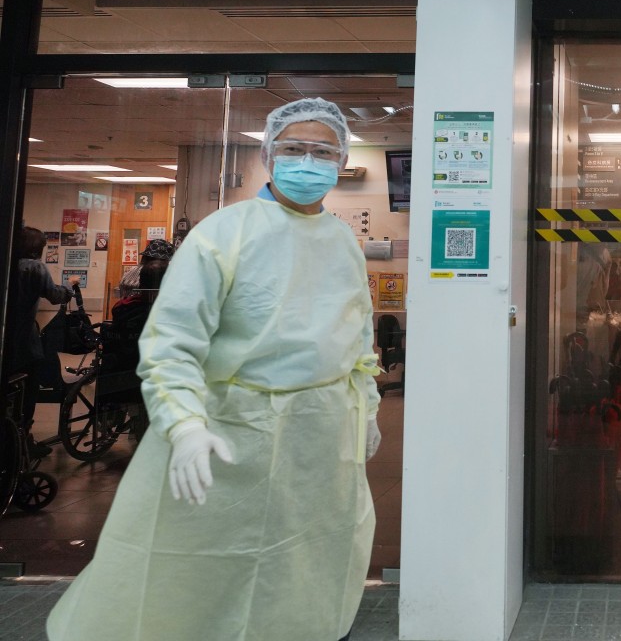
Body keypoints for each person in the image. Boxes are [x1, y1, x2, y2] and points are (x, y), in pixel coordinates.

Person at [47, 98, 381, 641]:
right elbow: (172, 342)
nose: (308, 161)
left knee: (305, 562)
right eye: (294, 148)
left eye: (323, 152)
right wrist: (183, 424)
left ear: (342, 161)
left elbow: (358, 335)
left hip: (320, 438)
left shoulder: (342, 240)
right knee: (198, 574)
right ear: (269, 155)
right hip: (228, 433)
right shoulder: (224, 233)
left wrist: (365, 409)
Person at [4, 227, 78, 457]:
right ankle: (22, 443)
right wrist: (70, 285)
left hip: (7, 344)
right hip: (25, 344)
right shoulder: (34, 268)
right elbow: (55, 296)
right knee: (27, 394)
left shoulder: (9, 265)